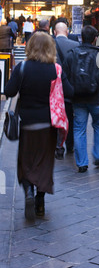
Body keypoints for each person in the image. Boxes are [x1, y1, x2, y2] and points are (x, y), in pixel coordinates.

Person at [4, 32, 74, 220]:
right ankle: (40, 203)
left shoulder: (23, 67)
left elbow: (9, 91)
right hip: (48, 124)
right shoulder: (56, 69)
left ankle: (28, 192)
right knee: (44, 163)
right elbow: (70, 92)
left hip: (27, 124)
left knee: (26, 161)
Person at [64, 25, 99, 173]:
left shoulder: (71, 54)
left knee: (79, 129)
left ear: (81, 37)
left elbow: (64, 77)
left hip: (78, 99)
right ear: (95, 39)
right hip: (96, 98)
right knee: (98, 126)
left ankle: (82, 163)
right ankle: (97, 155)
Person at [54, 21, 79, 157]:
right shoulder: (75, 45)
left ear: (54, 32)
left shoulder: (49, 45)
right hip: (70, 87)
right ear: (67, 32)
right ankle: (70, 145)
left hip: (55, 89)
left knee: (56, 116)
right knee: (70, 117)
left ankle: (58, 146)